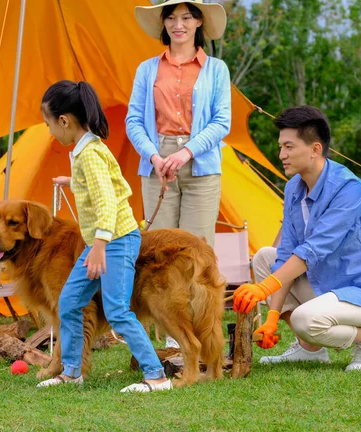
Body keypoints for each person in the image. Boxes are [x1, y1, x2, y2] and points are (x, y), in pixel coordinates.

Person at [233, 106, 361, 372]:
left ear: (315, 149)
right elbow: (286, 253)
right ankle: (309, 350)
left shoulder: (347, 188)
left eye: (288, 147)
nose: (281, 155)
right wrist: (272, 317)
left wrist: (263, 289)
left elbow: (313, 251)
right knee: (265, 257)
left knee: (305, 320)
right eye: (280, 147)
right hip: (327, 287)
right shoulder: (293, 188)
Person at [37, 80, 171, 392]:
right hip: (104, 240)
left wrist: (97, 247)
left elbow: (107, 202)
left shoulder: (90, 155)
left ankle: (156, 376)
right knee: (70, 301)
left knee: (117, 311)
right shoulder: (87, 150)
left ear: (65, 121)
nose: (49, 131)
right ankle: (72, 373)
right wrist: (72, 181)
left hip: (115, 240)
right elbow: (102, 185)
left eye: (48, 124)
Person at [127, 0, 232, 350]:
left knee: (197, 251)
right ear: (164, 23)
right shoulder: (147, 69)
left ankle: (203, 336)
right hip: (157, 166)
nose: (179, 24)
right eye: (171, 17)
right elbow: (133, 122)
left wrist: (186, 151)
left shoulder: (216, 69)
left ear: (199, 21)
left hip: (200, 163)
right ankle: (172, 342)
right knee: (158, 256)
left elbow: (221, 122)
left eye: (186, 17)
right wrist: (156, 156)